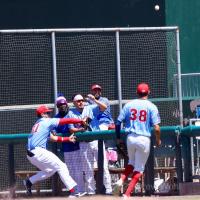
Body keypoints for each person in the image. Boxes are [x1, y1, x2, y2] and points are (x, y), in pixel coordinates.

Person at [23, 105, 86, 197]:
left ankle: (29, 182)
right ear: (42, 114)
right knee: (61, 166)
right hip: (38, 152)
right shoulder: (47, 121)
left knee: (50, 170)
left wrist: (67, 139)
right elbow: (66, 121)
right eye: (47, 113)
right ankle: (74, 191)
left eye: (49, 112)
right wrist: (80, 120)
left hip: (30, 155)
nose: (49, 114)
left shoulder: (38, 123)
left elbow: (52, 138)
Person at [113, 83, 161, 199]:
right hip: (144, 138)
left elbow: (118, 122)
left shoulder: (129, 105)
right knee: (139, 168)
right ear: (148, 92)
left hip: (130, 138)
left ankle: (121, 180)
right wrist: (158, 140)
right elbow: (157, 128)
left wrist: (118, 137)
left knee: (131, 163)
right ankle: (126, 194)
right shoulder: (152, 106)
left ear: (137, 93)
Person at [68, 93, 112, 195]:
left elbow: (104, 107)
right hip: (83, 143)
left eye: (82, 100)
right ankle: (91, 191)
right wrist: (80, 128)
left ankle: (109, 190)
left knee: (104, 166)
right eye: (78, 101)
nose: (81, 102)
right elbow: (71, 129)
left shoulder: (91, 107)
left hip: (96, 141)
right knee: (87, 169)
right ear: (74, 103)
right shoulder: (71, 113)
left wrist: (94, 100)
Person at [54, 96, 87, 197]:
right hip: (66, 146)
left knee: (78, 169)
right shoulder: (56, 117)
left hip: (75, 145)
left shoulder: (71, 113)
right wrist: (54, 131)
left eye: (63, 104)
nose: (62, 106)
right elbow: (54, 129)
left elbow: (74, 128)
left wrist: (81, 128)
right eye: (60, 105)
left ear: (66, 105)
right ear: (58, 106)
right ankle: (75, 190)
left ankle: (81, 190)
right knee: (70, 170)